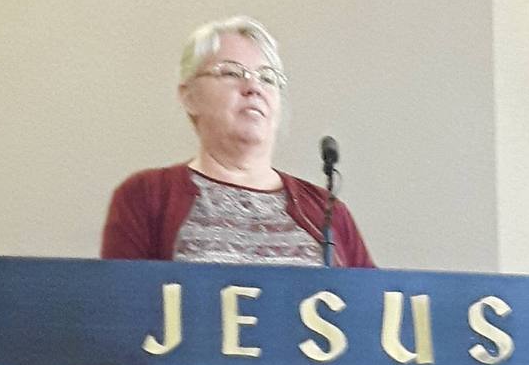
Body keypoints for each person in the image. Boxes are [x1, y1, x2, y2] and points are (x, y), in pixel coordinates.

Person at [102, 18, 372, 265]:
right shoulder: (146, 197)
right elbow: (121, 310)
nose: (254, 87)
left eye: (267, 77)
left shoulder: (328, 211)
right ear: (189, 96)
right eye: (231, 72)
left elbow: (374, 310)